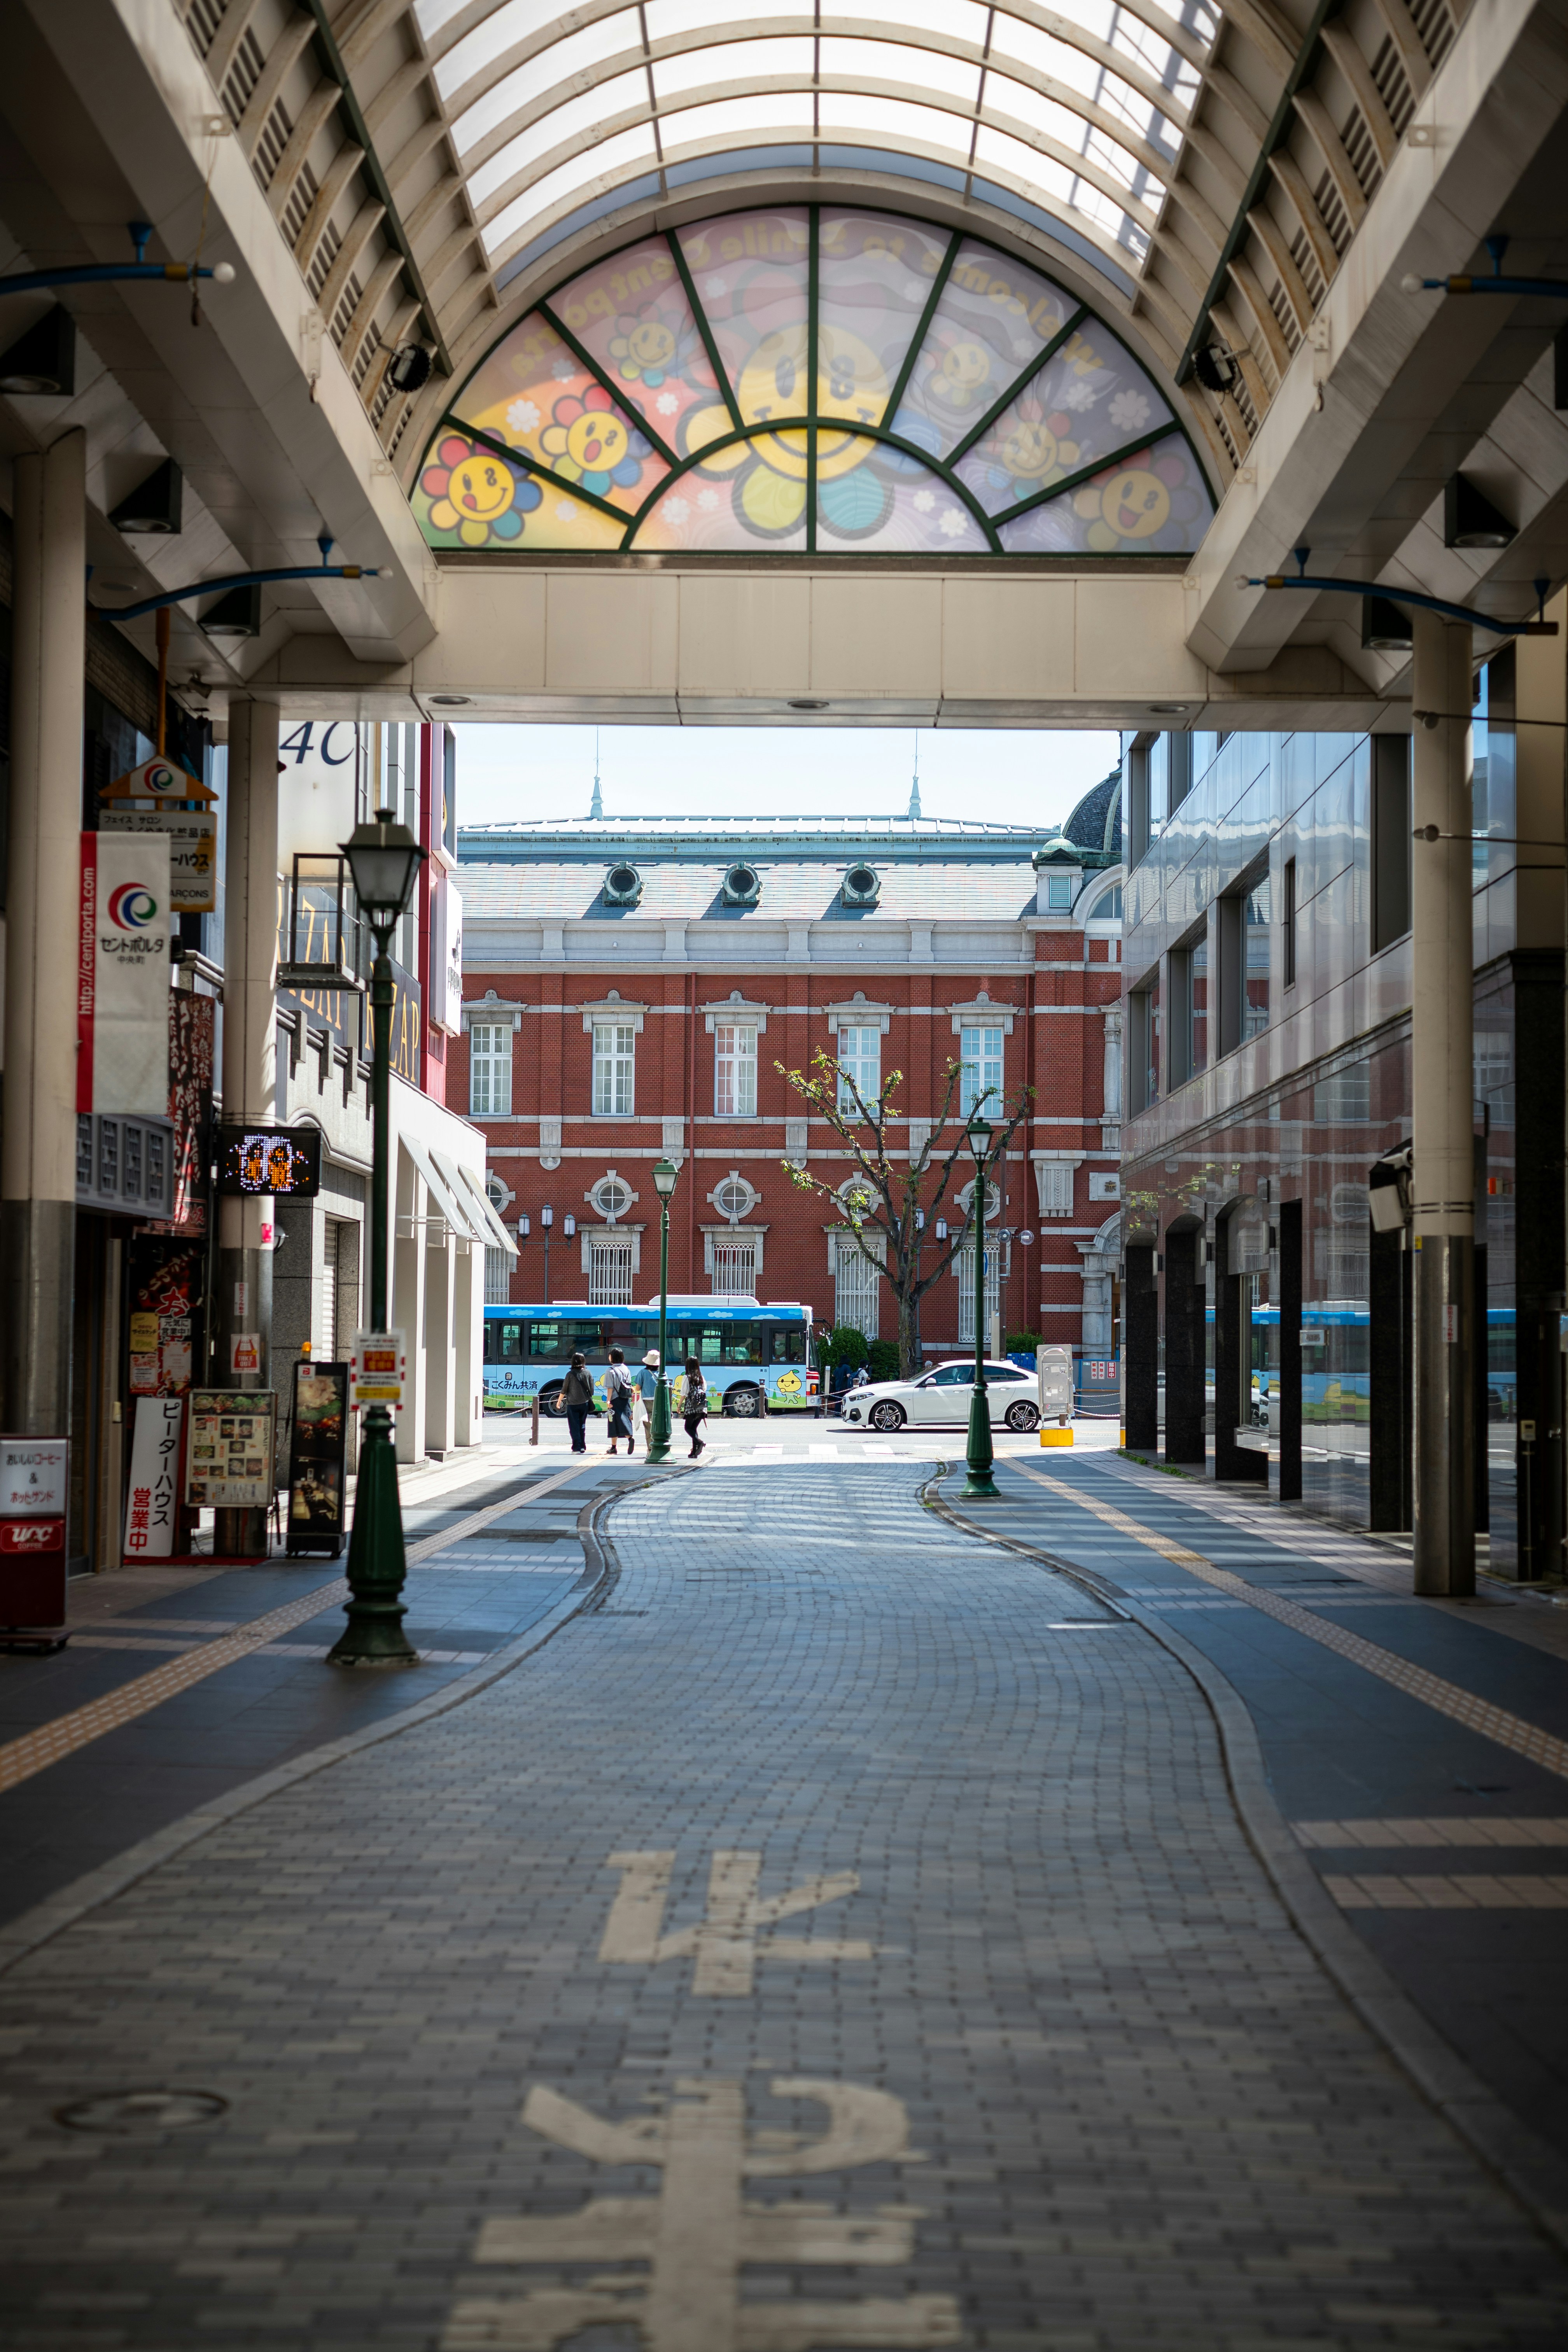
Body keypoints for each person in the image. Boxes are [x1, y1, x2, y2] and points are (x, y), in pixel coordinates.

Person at [605, 1344, 635, 1455]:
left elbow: (610, 1387)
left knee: (613, 1422)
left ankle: (615, 1446)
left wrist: (608, 1401)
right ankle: (628, 1438)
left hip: (615, 1398)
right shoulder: (626, 1368)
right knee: (625, 1418)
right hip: (625, 1398)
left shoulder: (611, 1370)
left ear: (612, 1357)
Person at [562, 1351, 593, 1455]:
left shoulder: (570, 1374)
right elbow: (592, 1390)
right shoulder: (588, 1373)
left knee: (574, 1426)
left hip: (572, 1404)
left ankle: (576, 1448)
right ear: (583, 1361)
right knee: (582, 1425)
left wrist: (558, 1402)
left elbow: (564, 1390)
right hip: (585, 1403)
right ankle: (583, 1447)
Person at [682, 1356, 708, 1459]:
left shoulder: (687, 1377)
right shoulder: (701, 1377)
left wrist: (679, 1406)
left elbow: (684, 1393)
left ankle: (700, 1442)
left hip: (691, 1407)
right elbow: (705, 1389)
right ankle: (694, 1452)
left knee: (688, 1428)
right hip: (702, 1407)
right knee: (694, 1428)